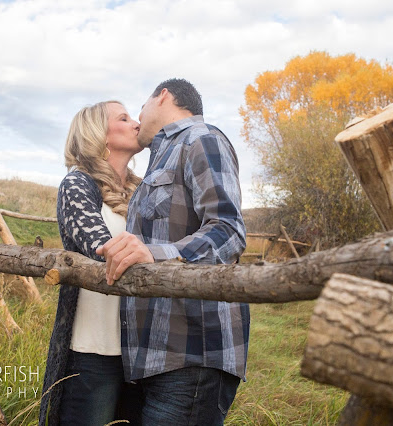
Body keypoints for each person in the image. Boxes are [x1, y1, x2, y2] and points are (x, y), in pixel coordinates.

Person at [96, 78, 249, 425]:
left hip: (193, 353)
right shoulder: (160, 157)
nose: (137, 119)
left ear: (163, 96)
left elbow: (228, 230)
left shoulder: (201, 138)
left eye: (139, 109)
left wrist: (154, 254)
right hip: (155, 358)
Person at [39, 100, 143, 426]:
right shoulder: (77, 184)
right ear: (101, 134)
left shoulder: (145, 189)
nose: (136, 123)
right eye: (124, 118)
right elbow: (101, 249)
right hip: (95, 348)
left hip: (144, 350)